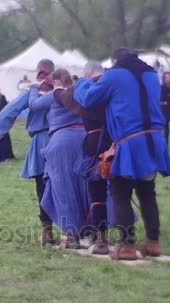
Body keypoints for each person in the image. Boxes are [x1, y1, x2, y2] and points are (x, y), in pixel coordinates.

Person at [75, 48, 170, 260]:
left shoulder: (114, 75)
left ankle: (127, 246)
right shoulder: (152, 75)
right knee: (147, 193)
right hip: (155, 139)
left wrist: (82, 83)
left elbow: (89, 99)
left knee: (121, 193)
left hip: (129, 141)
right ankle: (153, 243)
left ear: (115, 60)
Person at [0, 59, 55, 245]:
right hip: (62, 139)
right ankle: (75, 232)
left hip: (42, 142)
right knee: (64, 185)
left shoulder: (33, 90)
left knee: (42, 186)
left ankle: (47, 232)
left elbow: (12, 109)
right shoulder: (61, 87)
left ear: (38, 71)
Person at [29, 69, 89, 249]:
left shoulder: (55, 95)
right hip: (84, 140)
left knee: (64, 188)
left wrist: (34, 88)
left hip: (62, 143)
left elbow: (34, 105)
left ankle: (72, 235)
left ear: (55, 81)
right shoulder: (79, 93)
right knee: (86, 187)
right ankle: (94, 232)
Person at [55, 61, 111, 255]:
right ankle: (128, 239)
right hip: (122, 141)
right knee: (123, 190)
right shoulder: (113, 85)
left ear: (87, 74)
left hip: (95, 144)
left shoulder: (84, 87)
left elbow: (63, 98)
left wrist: (57, 91)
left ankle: (102, 240)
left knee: (98, 193)